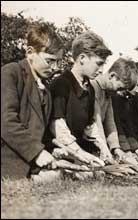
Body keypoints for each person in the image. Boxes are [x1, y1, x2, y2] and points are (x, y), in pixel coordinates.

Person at [1, 23, 65, 179]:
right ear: (30, 52)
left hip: (28, 159)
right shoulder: (11, 72)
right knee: (56, 176)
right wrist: (36, 152)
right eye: (50, 61)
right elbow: (6, 122)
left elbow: (39, 131)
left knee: (61, 174)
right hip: (8, 159)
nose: (55, 67)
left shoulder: (46, 90)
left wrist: (53, 148)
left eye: (58, 62)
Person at [49, 31, 111, 168]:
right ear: (82, 58)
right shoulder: (61, 84)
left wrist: (103, 147)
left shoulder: (90, 88)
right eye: (99, 64)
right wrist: (81, 154)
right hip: (59, 148)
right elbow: (58, 129)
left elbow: (90, 126)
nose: (101, 70)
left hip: (77, 148)